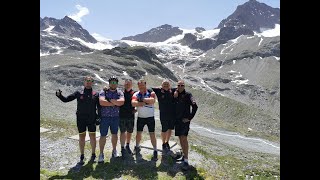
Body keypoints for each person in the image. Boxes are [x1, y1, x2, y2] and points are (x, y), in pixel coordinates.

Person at [55, 76, 100, 165]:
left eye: (90, 81)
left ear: (92, 82)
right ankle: (82, 155)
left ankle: (93, 154)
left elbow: (99, 107)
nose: (88, 82)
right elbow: (66, 99)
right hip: (81, 119)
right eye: (87, 80)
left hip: (92, 119)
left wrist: (99, 117)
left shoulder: (96, 94)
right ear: (84, 82)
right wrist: (60, 96)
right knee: (82, 137)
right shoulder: (78, 93)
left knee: (93, 137)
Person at [98, 76, 124, 163]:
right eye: (112, 82)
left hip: (115, 117)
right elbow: (101, 102)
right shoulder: (103, 91)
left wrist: (109, 101)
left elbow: (121, 102)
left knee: (115, 135)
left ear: (117, 84)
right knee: (103, 136)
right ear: (109, 83)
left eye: (115, 82)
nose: (113, 84)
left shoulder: (120, 92)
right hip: (104, 117)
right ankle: (101, 153)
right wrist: (114, 103)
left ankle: (114, 150)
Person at [173, 80, 198, 170]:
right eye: (178, 85)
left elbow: (195, 106)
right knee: (180, 138)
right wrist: (175, 91)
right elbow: (165, 88)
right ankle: (184, 155)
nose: (180, 86)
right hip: (177, 121)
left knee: (184, 138)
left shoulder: (188, 95)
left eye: (182, 85)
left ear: (184, 86)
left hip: (184, 121)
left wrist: (189, 118)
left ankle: (186, 160)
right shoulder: (175, 92)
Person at [131, 79, 158, 161]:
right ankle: (137, 146)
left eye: (142, 85)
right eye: (139, 85)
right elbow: (133, 103)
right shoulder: (136, 93)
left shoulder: (151, 92)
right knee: (138, 133)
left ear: (145, 85)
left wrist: (141, 100)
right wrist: (145, 102)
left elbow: (152, 101)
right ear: (138, 86)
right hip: (140, 117)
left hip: (150, 117)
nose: (141, 86)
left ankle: (155, 150)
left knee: (152, 134)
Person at [151, 79, 176, 153]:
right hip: (163, 114)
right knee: (164, 129)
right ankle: (163, 143)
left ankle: (167, 142)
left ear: (169, 85)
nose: (166, 85)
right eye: (164, 84)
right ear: (162, 85)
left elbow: (180, 89)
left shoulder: (173, 90)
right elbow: (150, 88)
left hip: (172, 113)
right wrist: (157, 89)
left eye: (167, 84)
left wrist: (176, 92)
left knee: (170, 129)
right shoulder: (158, 91)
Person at [119, 79, 137, 158]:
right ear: (124, 85)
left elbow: (139, 100)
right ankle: (122, 148)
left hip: (130, 116)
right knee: (123, 132)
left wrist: (137, 109)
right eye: (126, 84)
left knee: (129, 131)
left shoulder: (134, 93)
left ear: (131, 85)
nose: (127, 85)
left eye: (129, 84)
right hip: (122, 115)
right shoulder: (120, 93)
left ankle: (127, 145)